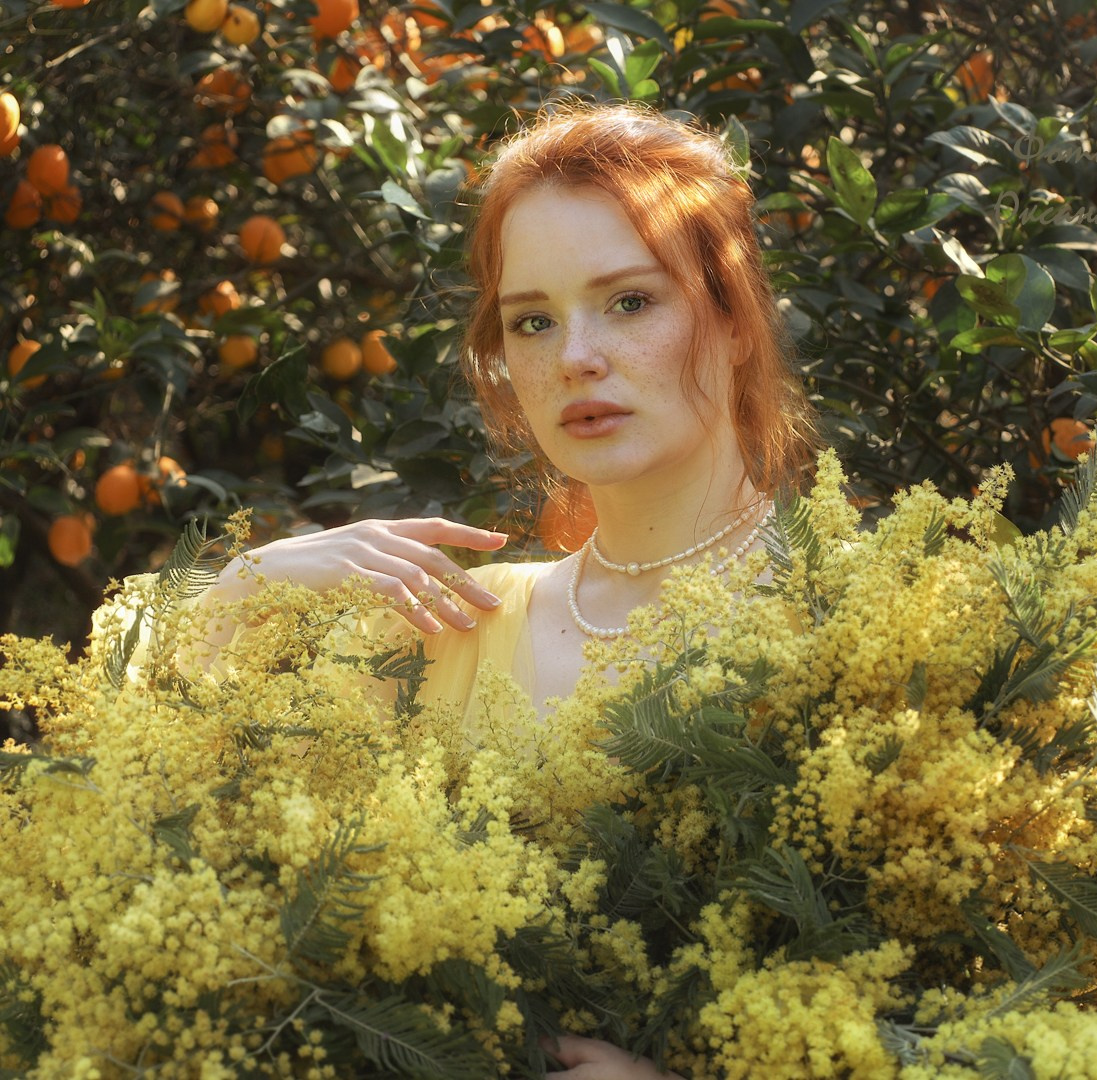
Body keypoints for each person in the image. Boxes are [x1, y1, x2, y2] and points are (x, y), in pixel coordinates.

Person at [196, 99, 819, 1078]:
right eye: (533, 321)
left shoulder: (887, 627)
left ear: (735, 317)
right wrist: (246, 586)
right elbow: (175, 848)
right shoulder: (441, 628)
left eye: (630, 302)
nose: (575, 358)